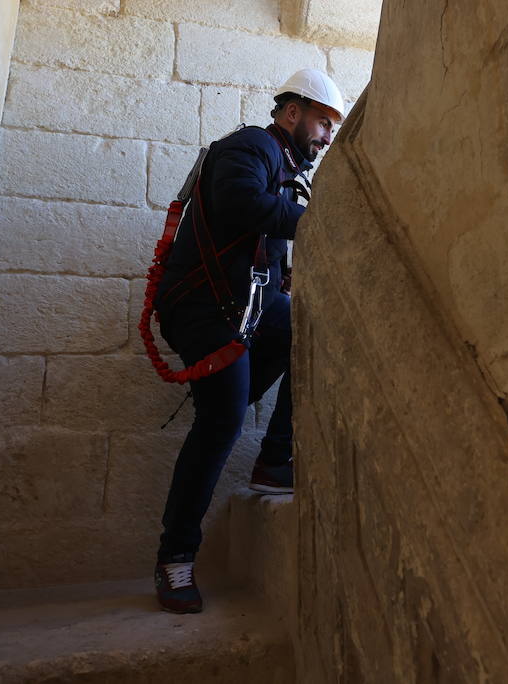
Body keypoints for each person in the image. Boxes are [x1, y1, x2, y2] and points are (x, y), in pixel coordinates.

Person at [151, 67, 346, 614]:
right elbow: (240, 205)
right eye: (324, 123)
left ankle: (274, 458)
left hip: (243, 310)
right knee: (220, 423)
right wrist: (321, 222)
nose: (327, 138)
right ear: (292, 113)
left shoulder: (283, 167)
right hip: (202, 310)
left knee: (307, 325)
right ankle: (175, 558)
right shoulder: (250, 147)